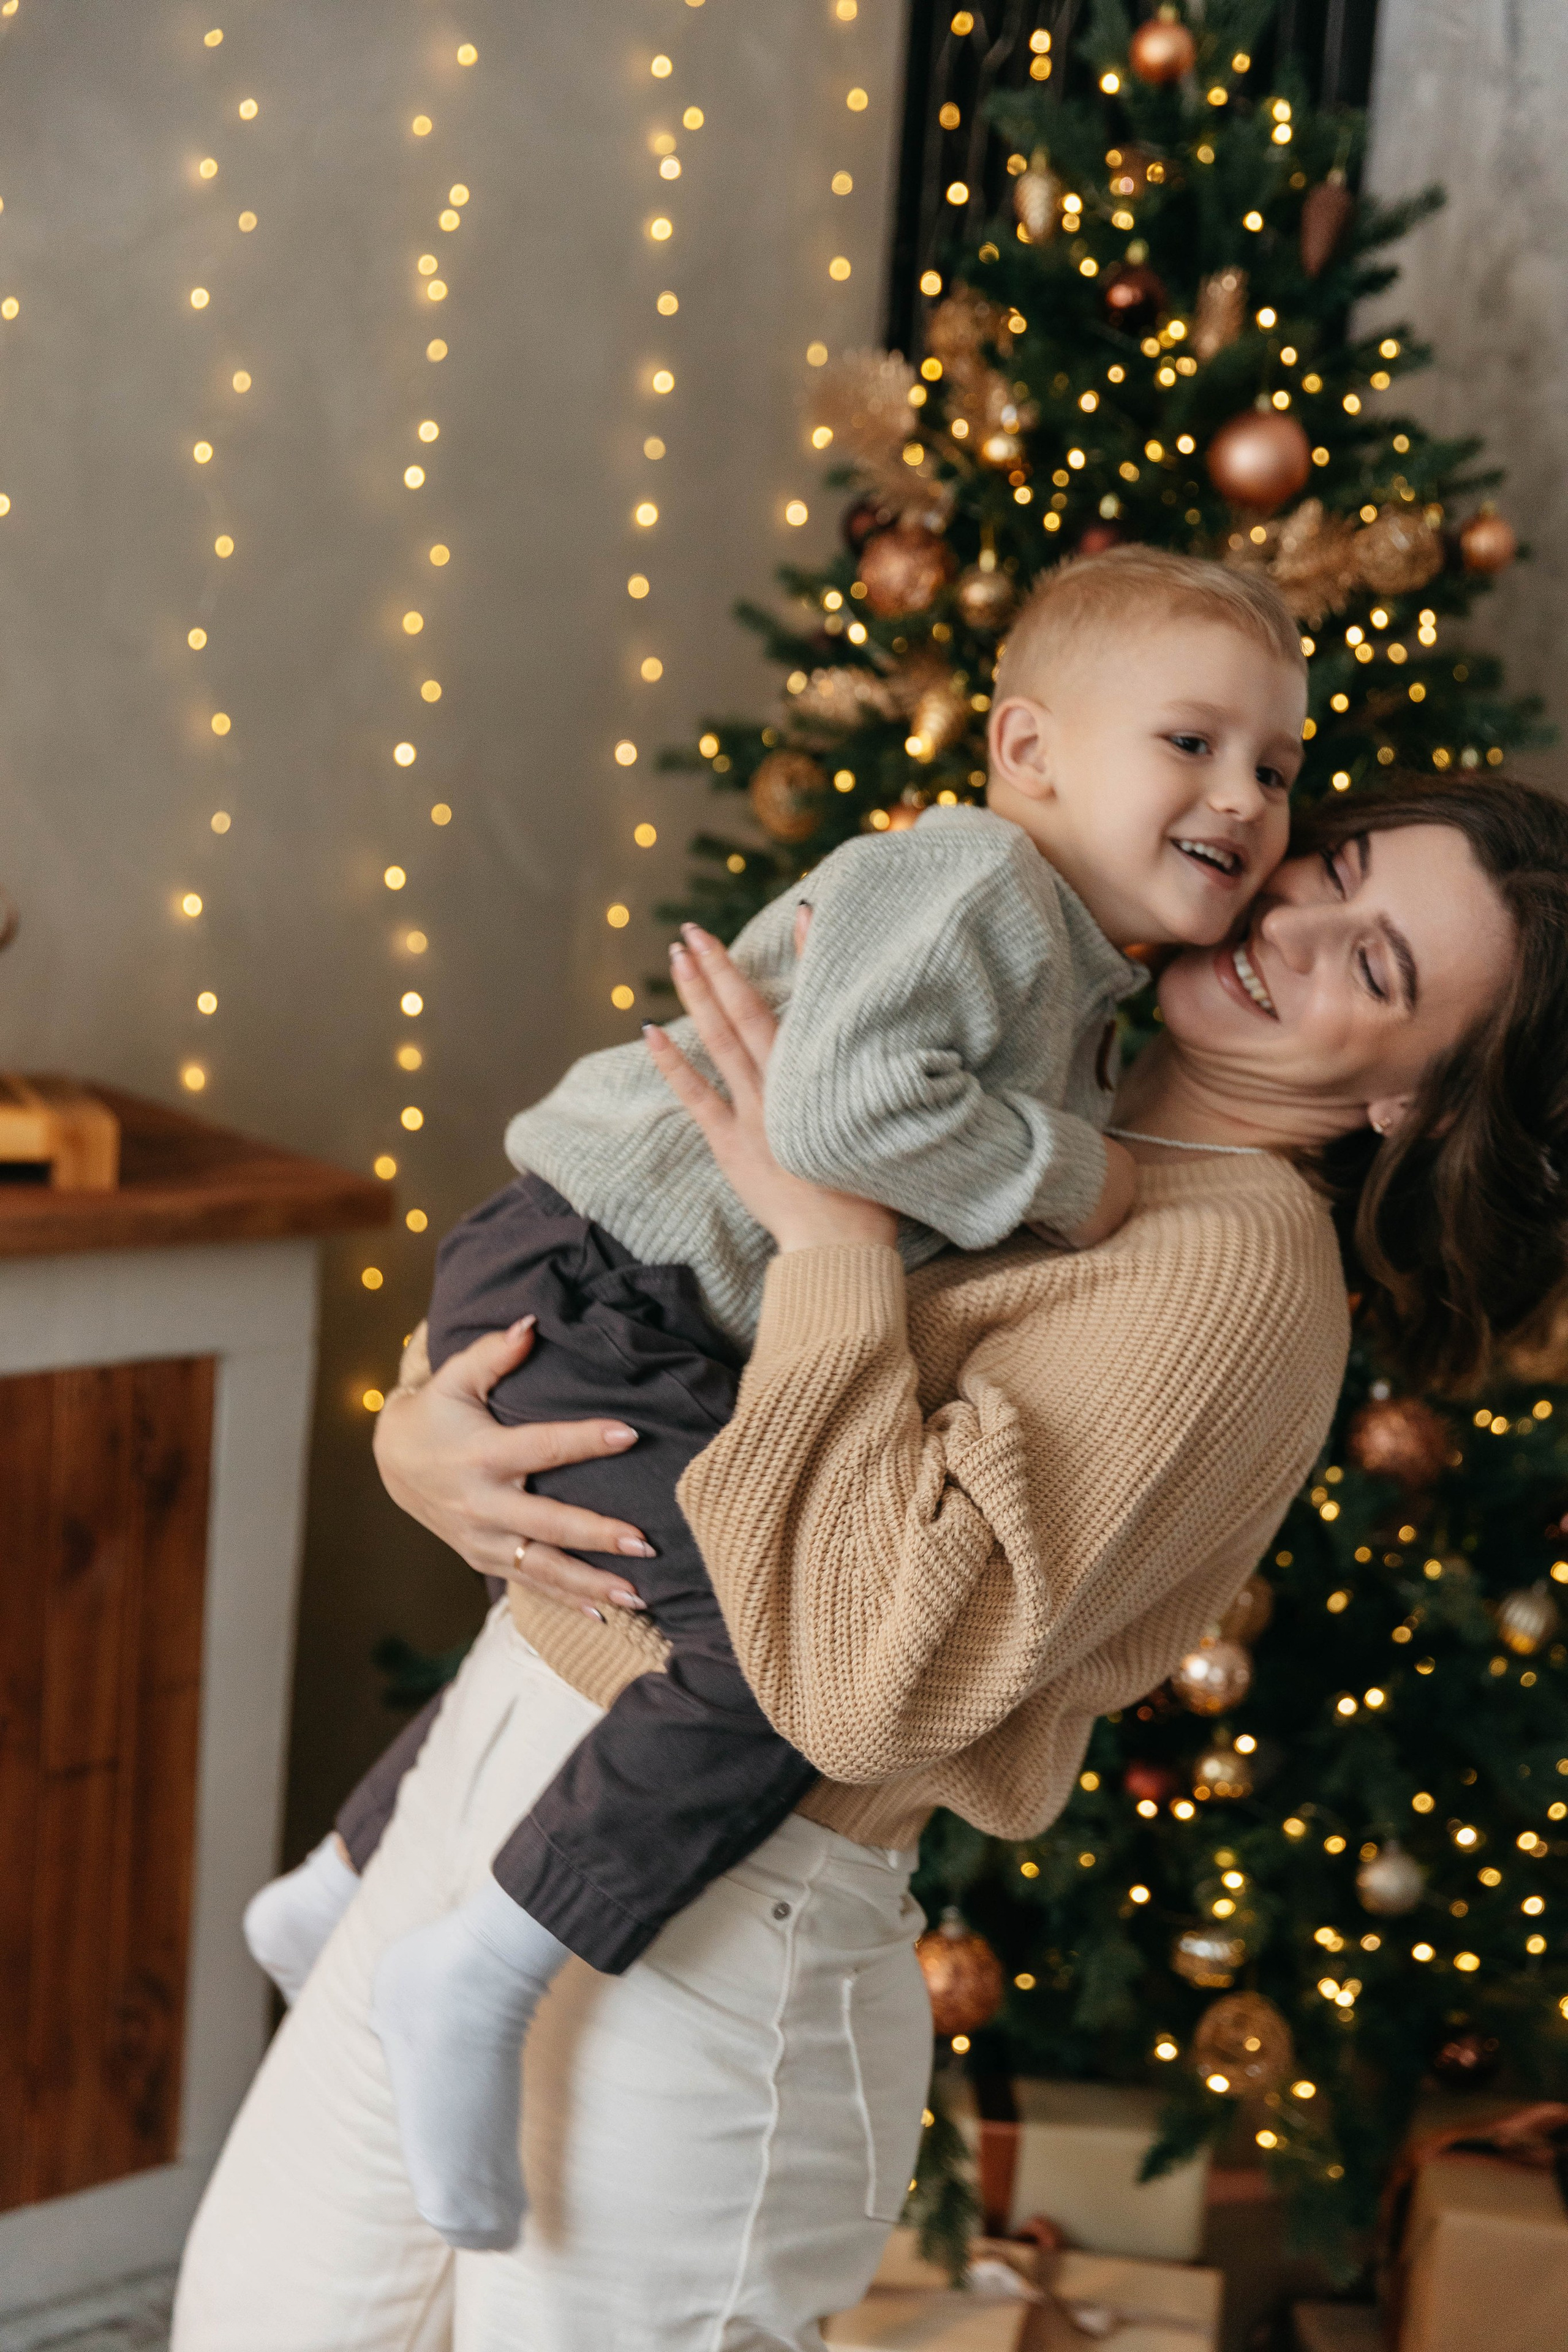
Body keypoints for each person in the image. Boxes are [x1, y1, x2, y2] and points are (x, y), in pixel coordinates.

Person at [175, 775, 1568, 2352]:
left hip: (708, 1937)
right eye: (1333, 866)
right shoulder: (1040, 1077)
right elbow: (641, 1277)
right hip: (481, 1793)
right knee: (256, 2317)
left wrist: (837, 1247)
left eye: (1374, 968)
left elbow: (861, 1685)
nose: (1292, 923)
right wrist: (422, 1434)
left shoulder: (1233, 1278)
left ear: (1417, 1106)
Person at [243, 548, 1309, 2252]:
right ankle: (489, 1961)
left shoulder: (1070, 961)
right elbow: (840, 1116)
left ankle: (346, 1882)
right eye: (1191, 743)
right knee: (755, 1630)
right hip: (611, 1280)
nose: (1244, 798)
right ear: (1028, 750)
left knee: (657, 1574)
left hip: (621, 1282)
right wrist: (1074, 1178)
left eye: (1277, 765)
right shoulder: (976, 884)